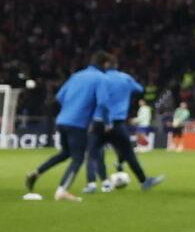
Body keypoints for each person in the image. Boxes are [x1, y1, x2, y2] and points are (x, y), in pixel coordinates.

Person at [25, 58, 103, 200]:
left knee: (65, 153)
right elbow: (102, 102)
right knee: (78, 158)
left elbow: (60, 97)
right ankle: (62, 190)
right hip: (78, 123)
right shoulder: (100, 78)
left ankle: (36, 173)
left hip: (62, 120)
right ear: (105, 64)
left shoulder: (76, 76)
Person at [84, 53, 160, 191]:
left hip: (99, 122)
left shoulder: (100, 79)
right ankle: (144, 181)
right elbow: (140, 89)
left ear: (106, 65)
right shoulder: (125, 78)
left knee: (92, 153)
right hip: (117, 124)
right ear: (116, 65)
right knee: (128, 153)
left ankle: (91, 184)